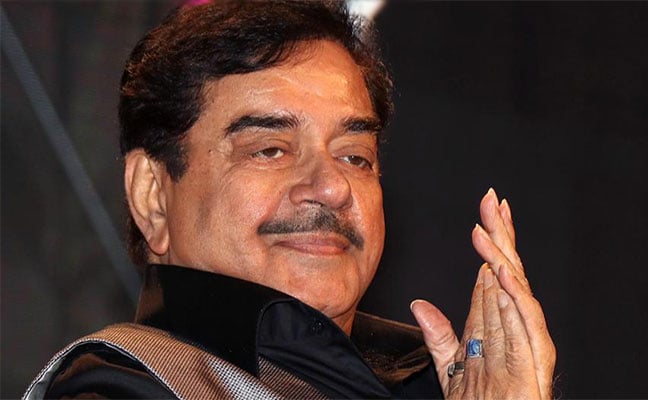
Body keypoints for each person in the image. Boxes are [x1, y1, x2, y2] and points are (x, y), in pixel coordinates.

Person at [24, 1, 555, 399]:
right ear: (152, 196)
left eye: (355, 157)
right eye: (270, 150)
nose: (332, 187)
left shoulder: (437, 379)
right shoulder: (125, 387)